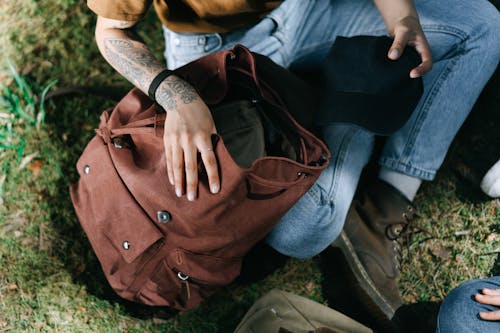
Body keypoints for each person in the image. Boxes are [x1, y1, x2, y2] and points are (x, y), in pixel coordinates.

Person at [87, 0, 500, 323]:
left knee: (481, 24)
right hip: (214, 46)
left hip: (308, 10)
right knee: (307, 229)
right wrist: (175, 93)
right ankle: (335, 95)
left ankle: (387, 200)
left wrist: (402, 17)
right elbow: (111, 31)